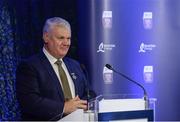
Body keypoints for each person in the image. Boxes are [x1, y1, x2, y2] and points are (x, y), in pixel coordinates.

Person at [16, 17, 95, 120]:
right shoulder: (29, 66)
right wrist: (64, 107)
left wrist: (81, 105)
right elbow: (30, 102)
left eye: (68, 38)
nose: (66, 43)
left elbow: (90, 94)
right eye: (61, 38)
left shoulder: (76, 65)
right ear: (46, 37)